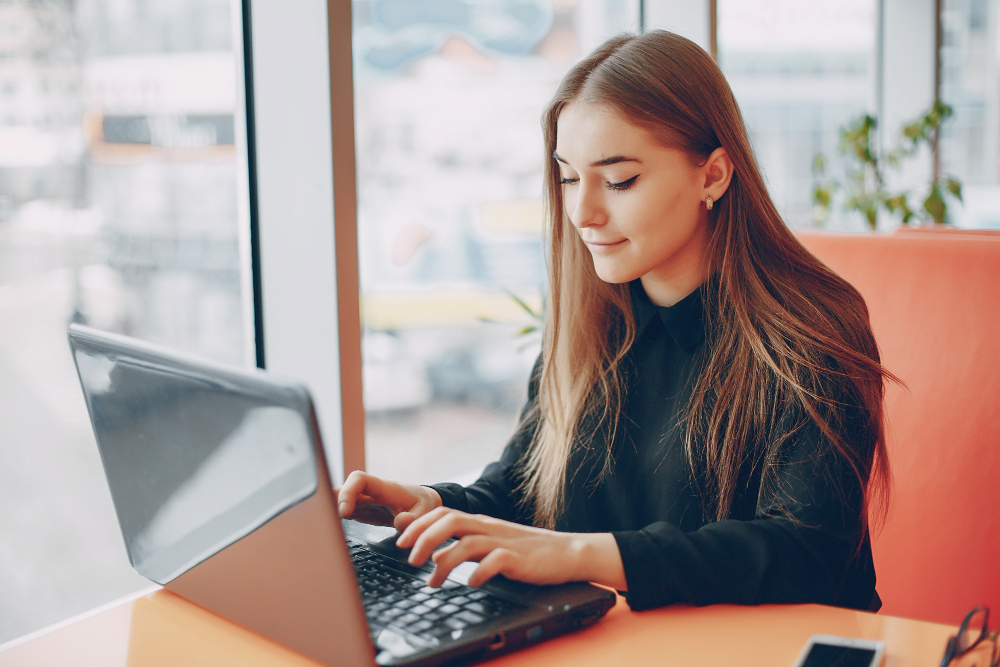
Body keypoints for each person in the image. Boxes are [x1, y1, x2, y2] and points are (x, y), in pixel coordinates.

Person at [337, 30, 891, 612]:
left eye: (620, 179)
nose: (582, 212)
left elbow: (806, 556)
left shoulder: (811, 332)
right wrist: (430, 504)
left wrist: (580, 555)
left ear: (713, 176)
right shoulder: (589, 322)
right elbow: (525, 491)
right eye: (570, 177)